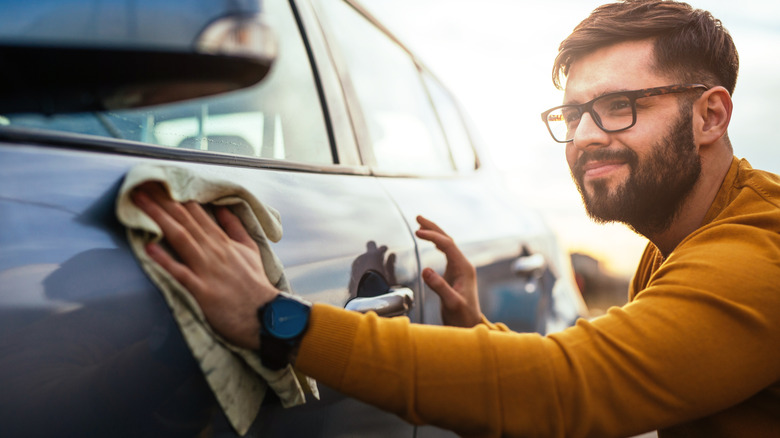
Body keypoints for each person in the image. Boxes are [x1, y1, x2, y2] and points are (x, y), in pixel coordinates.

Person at [131, 0, 780, 436]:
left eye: (618, 106)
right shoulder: (674, 241)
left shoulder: (757, 259)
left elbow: (572, 388)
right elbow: (618, 394)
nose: (584, 137)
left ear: (711, 116)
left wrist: (278, 320)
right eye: (574, 114)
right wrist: (478, 332)